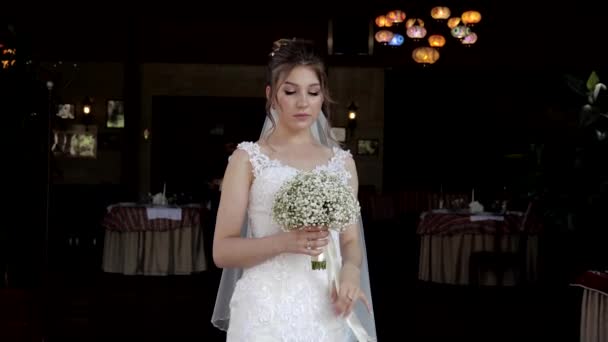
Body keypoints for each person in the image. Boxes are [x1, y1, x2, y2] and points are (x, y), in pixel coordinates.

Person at [211, 38, 377, 341]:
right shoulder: (247, 159)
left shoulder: (342, 164)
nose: (303, 103)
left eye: (313, 92)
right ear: (271, 96)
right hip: (263, 311)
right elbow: (222, 251)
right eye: (290, 91)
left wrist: (351, 270)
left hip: (326, 306)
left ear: (322, 96)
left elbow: (350, 240)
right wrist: (286, 241)